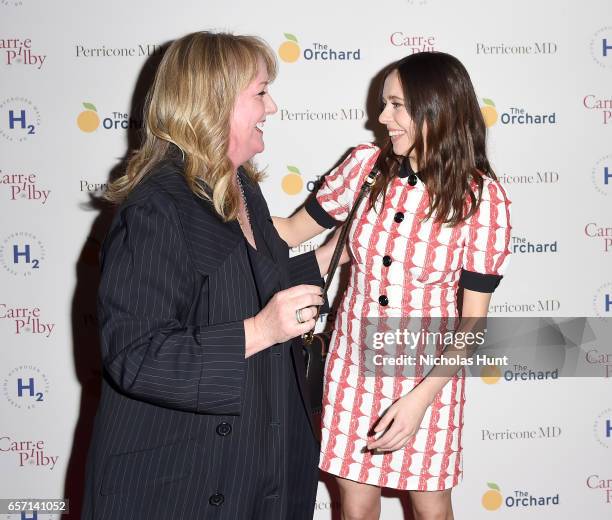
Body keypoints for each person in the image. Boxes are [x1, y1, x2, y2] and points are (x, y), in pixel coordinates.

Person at [81, 31, 339, 520]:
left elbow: (254, 286)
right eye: (260, 92)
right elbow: (134, 355)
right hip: (181, 485)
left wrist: (336, 253)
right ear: (214, 104)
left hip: (256, 473)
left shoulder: (240, 187)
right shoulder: (158, 207)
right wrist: (261, 331)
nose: (273, 107)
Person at [273, 52, 511, 520]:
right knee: (355, 508)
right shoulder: (365, 167)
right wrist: (214, 198)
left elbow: (474, 321)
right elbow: (287, 231)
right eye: (385, 104)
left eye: (397, 105)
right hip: (350, 365)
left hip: (427, 376)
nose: (382, 118)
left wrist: (419, 401)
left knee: (431, 508)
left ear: (435, 108)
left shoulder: (481, 199)